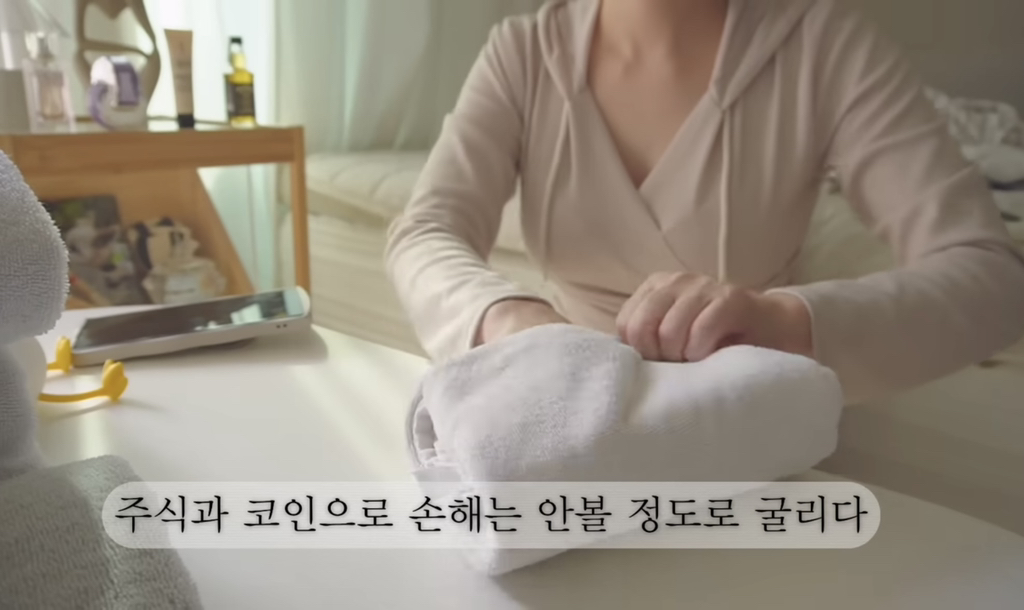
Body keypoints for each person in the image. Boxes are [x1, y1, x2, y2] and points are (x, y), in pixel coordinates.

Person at [385, 0, 1024, 404]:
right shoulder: (521, 54)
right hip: (560, 406)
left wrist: (786, 322)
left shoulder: (825, 49)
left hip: (745, 425)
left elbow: (993, 278)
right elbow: (425, 231)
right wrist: (508, 319)